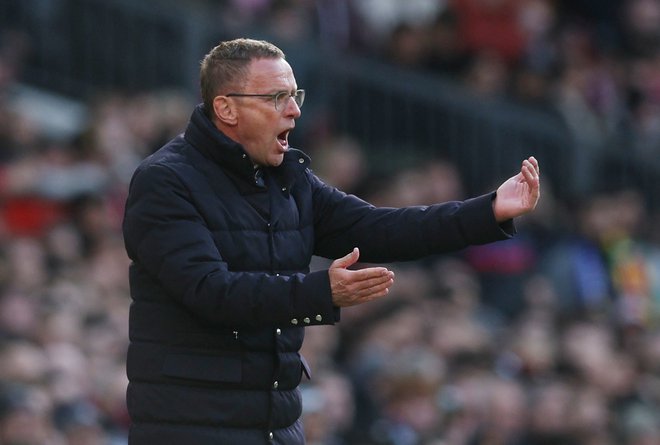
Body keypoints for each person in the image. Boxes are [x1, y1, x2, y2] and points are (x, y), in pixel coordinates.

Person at [121, 37, 540, 445]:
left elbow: (378, 228)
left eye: (295, 94)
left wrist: (489, 211)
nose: (295, 110)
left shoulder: (288, 179)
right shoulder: (166, 181)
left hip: (274, 422)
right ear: (226, 108)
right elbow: (210, 292)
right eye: (276, 98)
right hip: (189, 424)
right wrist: (323, 291)